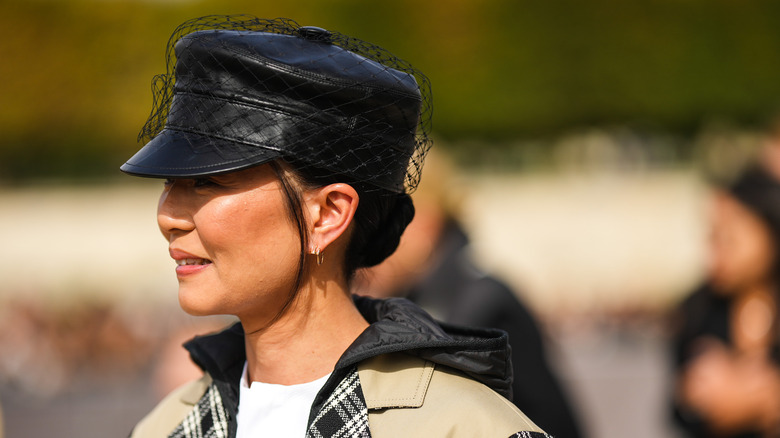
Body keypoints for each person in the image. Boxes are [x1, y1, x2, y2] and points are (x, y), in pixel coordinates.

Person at [122, 15, 551, 438]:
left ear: (327, 214)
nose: (167, 216)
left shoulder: (465, 429)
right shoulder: (166, 426)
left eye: (206, 182)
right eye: (168, 182)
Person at [354, 151, 583, 438]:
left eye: (379, 220)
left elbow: (553, 421)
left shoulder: (483, 304)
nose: (365, 240)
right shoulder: (419, 299)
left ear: (424, 221)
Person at [672, 163, 780, 438]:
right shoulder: (696, 310)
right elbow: (675, 409)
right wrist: (697, 399)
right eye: (712, 237)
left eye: (730, 239)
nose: (716, 254)